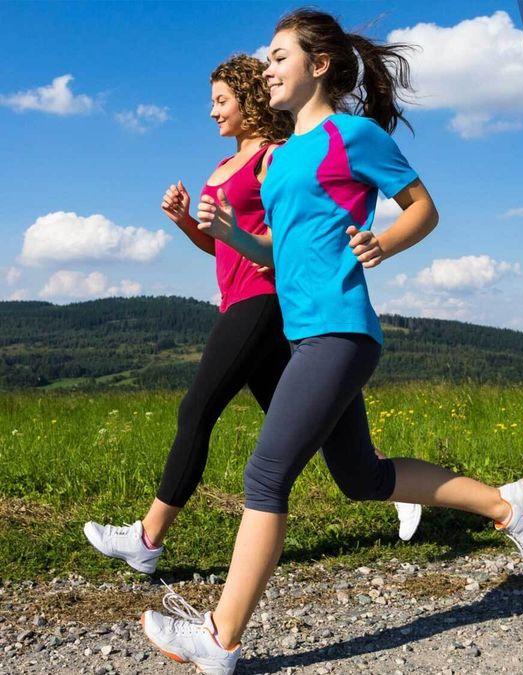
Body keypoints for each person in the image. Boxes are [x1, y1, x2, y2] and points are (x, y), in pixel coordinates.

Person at [137, 11, 523, 674]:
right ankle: (508, 504)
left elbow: (422, 206)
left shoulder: (350, 136)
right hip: (305, 335)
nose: (265, 69)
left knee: (266, 474)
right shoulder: (282, 160)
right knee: (362, 477)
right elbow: (274, 250)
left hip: (341, 328)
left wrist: (382, 241)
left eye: (278, 57)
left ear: (318, 65)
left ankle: (221, 635)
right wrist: (226, 230)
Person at [82, 55, 422, 576]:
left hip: (264, 300)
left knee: (198, 408)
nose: (213, 111)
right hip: (238, 295)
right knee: (318, 431)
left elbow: (283, 240)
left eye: (222, 100)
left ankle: (147, 538)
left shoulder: (274, 156)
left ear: (249, 99)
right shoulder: (225, 166)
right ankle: (387, 482)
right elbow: (224, 249)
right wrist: (185, 223)